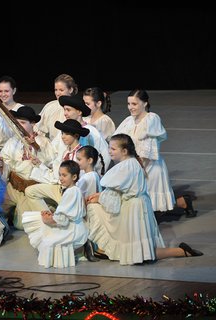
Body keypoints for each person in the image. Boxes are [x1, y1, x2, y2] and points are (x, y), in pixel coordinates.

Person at [86, 134, 203, 265]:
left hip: (134, 209)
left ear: (124, 151)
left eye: (113, 149)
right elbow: (117, 192)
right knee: (145, 251)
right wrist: (101, 196)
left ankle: (181, 251)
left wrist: (100, 198)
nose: (109, 151)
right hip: (138, 206)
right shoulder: (131, 163)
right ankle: (181, 251)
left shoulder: (126, 166)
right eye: (109, 148)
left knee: (143, 252)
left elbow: (113, 199)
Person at [113, 89, 195, 217]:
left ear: (144, 103)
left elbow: (147, 151)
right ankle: (183, 201)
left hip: (149, 168)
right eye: (129, 104)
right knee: (145, 205)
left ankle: (184, 202)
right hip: (134, 167)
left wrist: (136, 171)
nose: (130, 107)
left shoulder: (151, 119)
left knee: (154, 205)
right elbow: (117, 141)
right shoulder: (128, 121)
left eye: (134, 104)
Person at [22, 160, 90, 268]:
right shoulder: (73, 190)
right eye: (59, 175)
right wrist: (52, 215)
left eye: (64, 175)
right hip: (75, 226)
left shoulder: (72, 192)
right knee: (41, 225)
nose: (61, 178)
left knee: (45, 235)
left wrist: (48, 219)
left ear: (74, 177)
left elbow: (63, 219)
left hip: (73, 229)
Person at [0, 106, 57, 229]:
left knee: (21, 225)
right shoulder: (12, 141)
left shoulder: (43, 142)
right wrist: (1, 165)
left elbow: (50, 163)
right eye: (17, 123)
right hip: (13, 185)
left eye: (23, 123)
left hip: (31, 188)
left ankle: (48, 209)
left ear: (33, 123)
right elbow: (5, 161)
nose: (19, 126)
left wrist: (36, 149)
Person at [24, 119, 89, 214]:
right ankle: (46, 216)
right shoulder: (65, 151)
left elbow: (82, 177)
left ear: (76, 136)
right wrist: (39, 164)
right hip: (59, 187)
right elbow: (56, 172)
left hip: (71, 191)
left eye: (66, 134)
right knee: (30, 191)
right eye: (62, 133)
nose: (63, 137)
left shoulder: (80, 154)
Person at [58, 95, 110, 176]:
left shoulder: (91, 132)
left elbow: (104, 155)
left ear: (79, 112)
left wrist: (94, 176)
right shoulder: (65, 130)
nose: (65, 113)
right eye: (64, 110)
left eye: (68, 110)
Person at [34, 73, 78, 141]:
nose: (57, 93)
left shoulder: (78, 107)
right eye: (56, 90)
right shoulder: (50, 106)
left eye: (61, 90)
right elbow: (38, 128)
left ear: (70, 90)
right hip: (54, 149)